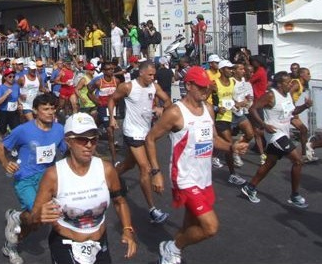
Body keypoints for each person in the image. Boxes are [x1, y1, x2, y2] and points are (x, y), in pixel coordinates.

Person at [145, 66, 248, 264]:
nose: (205, 91)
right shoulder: (175, 112)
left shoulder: (208, 109)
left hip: (204, 178)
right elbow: (150, 138)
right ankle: (171, 248)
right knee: (210, 227)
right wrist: (155, 172)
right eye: (200, 87)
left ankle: (171, 254)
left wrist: (232, 147)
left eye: (207, 87)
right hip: (184, 178)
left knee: (189, 226)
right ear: (188, 85)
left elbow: (214, 139)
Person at [31, 112, 137, 263]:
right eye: (82, 139)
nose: (89, 145)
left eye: (93, 140)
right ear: (68, 141)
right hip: (65, 245)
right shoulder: (54, 175)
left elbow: (120, 202)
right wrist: (38, 216)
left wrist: (127, 230)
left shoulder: (106, 169)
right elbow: (34, 217)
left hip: (99, 243)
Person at [0, 94, 66, 264]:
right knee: (39, 217)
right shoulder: (23, 130)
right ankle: (10, 246)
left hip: (47, 178)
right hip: (25, 178)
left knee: (38, 220)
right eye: (45, 109)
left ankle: (17, 217)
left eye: (52, 108)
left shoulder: (59, 129)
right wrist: (6, 163)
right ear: (35, 110)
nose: (50, 112)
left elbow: (66, 152)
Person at [109, 60, 171, 225]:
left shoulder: (154, 87)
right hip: (132, 132)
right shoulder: (128, 87)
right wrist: (112, 118)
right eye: (150, 74)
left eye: (154, 75)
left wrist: (162, 109)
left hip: (146, 134)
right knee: (146, 168)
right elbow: (112, 100)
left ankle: (109, 176)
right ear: (141, 73)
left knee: (129, 165)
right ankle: (152, 210)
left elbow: (168, 100)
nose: (152, 77)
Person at [241, 71, 312, 208]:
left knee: (270, 163)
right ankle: (295, 195)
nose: (290, 84)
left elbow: (292, 112)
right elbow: (253, 109)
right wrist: (264, 125)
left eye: (291, 82)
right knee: (297, 160)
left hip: (284, 133)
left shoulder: (288, 96)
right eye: (287, 82)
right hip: (275, 135)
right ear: (279, 84)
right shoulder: (271, 95)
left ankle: (250, 187)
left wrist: (305, 106)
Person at [0, 69, 22, 139]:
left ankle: (14, 147)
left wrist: (20, 104)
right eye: (10, 77)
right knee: (2, 133)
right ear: (5, 77)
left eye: (13, 76)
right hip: (3, 112)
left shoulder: (16, 86)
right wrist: (6, 95)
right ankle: (1, 147)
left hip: (14, 112)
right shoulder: (1, 88)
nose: (12, 78)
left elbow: (18, 97)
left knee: (17, 131)